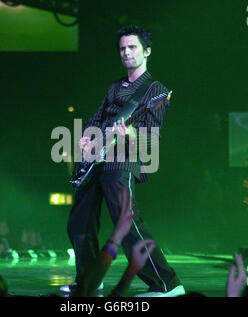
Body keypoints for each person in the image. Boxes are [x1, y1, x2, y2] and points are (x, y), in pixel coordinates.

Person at [63, 24, 184, 297]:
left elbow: (152, 139)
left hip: (123, 159)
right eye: (122, 48)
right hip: (98, 159)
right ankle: (89, 281)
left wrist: (130, 133)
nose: (126, 52)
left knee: (126, 224)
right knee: (79, 222)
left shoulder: (155, 91)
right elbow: (98, 117)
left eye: (132, 47)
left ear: (147, 51)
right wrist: (86, 137)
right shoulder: (114, 86)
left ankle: (167, 284)